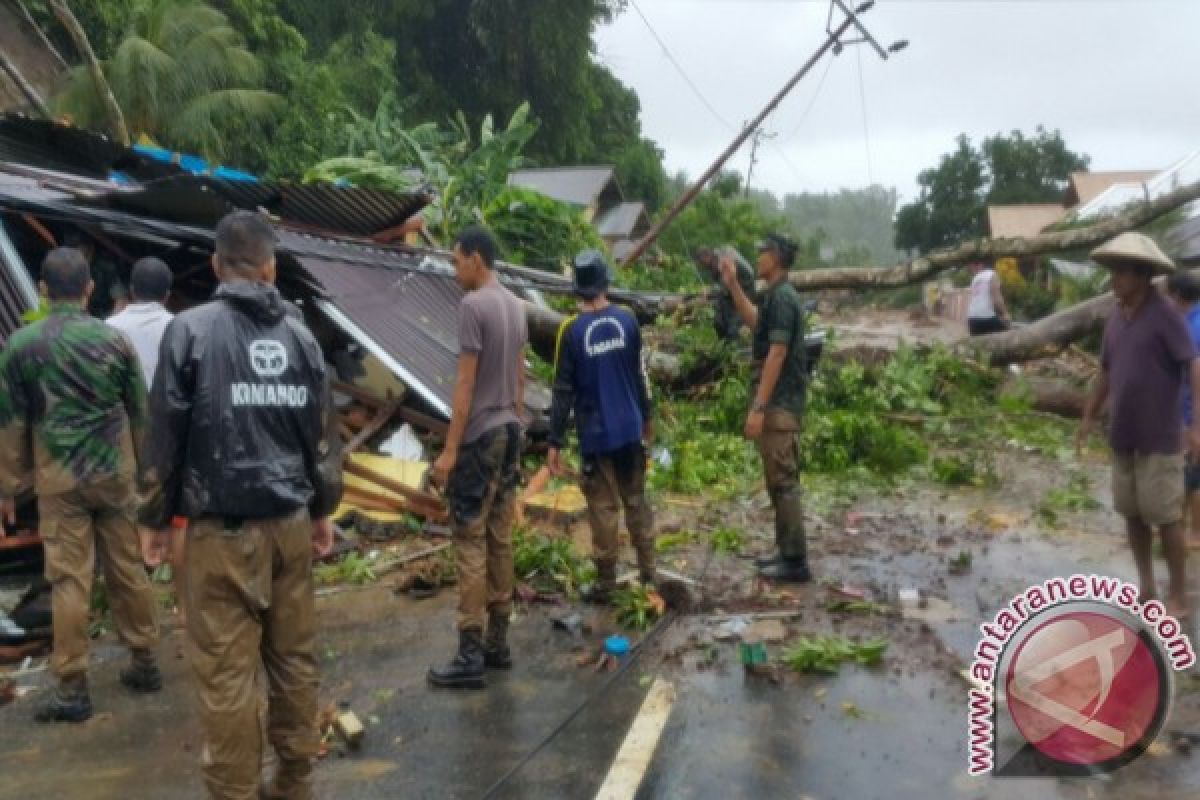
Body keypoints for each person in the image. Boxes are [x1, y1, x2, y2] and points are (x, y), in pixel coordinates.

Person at [138, 211, 343, 799]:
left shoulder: (190, 331)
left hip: (219, 536)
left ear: (216, 265)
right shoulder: (302, 337)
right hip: (289, 527)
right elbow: (321, 435)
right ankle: (296, 782)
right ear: (271, 266)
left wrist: (153, 520)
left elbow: (164, 434)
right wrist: (323, 507)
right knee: (294, 661)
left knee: (228, 679)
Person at [0, 247, 161, 723]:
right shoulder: (115, 342)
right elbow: (140, 413)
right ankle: (145, 662)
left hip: (61, 480)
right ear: (90, 288)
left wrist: (7, 487)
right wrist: (149, 478)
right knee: (128, 568)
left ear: (44, 290)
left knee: (69, 579)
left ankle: (72, 689)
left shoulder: (22, 345)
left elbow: (10, 422)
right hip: (115, 474)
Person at [1077, 232, 1200, 620]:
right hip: (1123, 432)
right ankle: (1147, 587)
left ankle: (1178, 594)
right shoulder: (1116, 316)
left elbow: (1193, 366)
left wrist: (1194, 425)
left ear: (1143, 275)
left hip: (1160, 435)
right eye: (1113, 270)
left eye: (1122, 272)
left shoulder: (1165, 315)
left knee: (1166, 517)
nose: (1114, 278)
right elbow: (1107, 370)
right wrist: (1089, 413)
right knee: (1131, 513)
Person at [428, 226, 527, 690]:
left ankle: (470, 654)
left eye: (456, 261)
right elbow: (520, 378)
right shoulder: (515, 305)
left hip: (482, 434)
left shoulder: (473, 306)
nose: (455, 269)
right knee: (500, 536)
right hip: (510, 429)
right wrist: (519, 424)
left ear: (476, 260)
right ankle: (498, 644)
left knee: (469, 540)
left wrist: (449, 450)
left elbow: (465, 383)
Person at [548, 250, 655, 602]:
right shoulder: (627, 321)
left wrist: (555, 441)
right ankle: (648, 574)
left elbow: (563, 390)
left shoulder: (571, 331)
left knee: (603, 508)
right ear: (605, 282)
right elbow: (641, 375)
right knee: (636, 500)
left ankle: (607, 583)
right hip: (630, 428)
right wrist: (648, 418)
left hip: (596, 434)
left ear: (577, 289)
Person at [720, 234, 812, 583]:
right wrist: (733, 287)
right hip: (774, 402)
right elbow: (756, 322)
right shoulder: (774, 296)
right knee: (776, 479)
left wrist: (759, 406)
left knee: (784, 480)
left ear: (776, 257)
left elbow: (777, 353)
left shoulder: (785, 299)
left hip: (781, 403)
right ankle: (785, 552)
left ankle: (796, 561)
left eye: (761, 253)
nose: (756, 258)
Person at [1166, 271, 1200, 549]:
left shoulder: (1193, 327)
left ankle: (1195, 533)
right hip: (1188, 409)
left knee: (1194, 475)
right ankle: (1185, 528)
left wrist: (1193, 424)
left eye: (1168, 295)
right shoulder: (1191, 320)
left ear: (1177, 297)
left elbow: (1195, 373)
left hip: (1194, 411)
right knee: (1188, 474)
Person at [107, 257, 175, 388]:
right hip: (163, 406)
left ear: (132, 291)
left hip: (120, 407)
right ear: (167, 296)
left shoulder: (109, 326)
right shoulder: (178, 327)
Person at [695, 245, 757, 340]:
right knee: (719, 321)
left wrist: (709, 292)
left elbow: (725, 285)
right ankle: (723, 340)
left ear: (706, 256)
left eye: (701, 262)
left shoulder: (720, 261)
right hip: (732, 291)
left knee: (734, 326)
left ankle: (732, 345)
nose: (702, 265)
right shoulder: (715, 258)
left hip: (745, 290)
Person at [965, 260, 1011, 335]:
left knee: (979, 345)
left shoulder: (975, 279)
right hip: (988, 317)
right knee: (1004, 338)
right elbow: (996, 299)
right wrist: (1005, 314)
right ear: (981, 264)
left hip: (972, 318)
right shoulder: (992, 274)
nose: (970, 269)